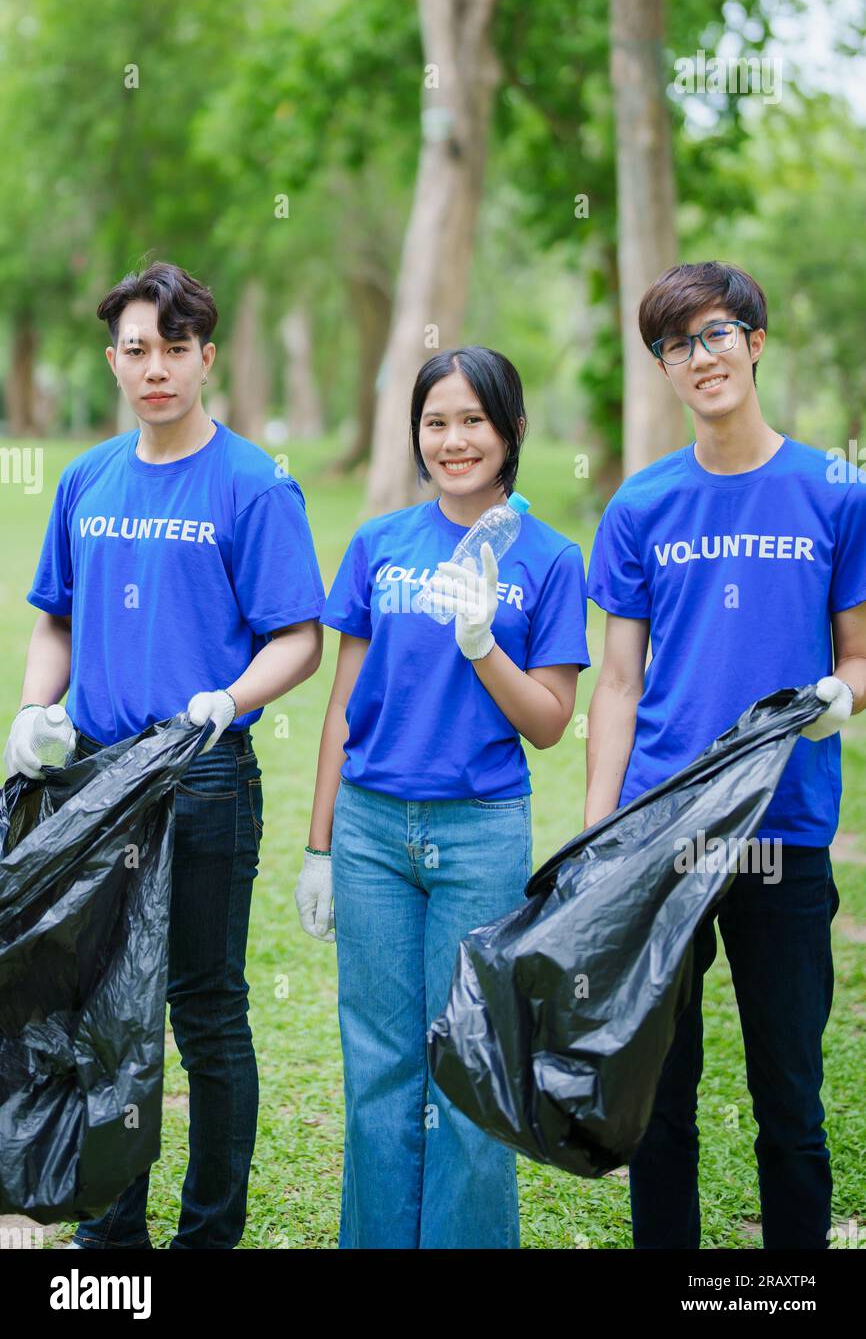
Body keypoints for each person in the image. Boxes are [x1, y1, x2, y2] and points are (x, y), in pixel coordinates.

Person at [3, 261, 326, 1249]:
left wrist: (229, 699)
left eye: (175, 350)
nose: (156, 369)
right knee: (102, 1006)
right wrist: (32, 710)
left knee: (204, 1009)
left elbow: (300, 636)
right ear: (114, 361)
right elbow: (54, 619)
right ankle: (112, 1231)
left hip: (202, 777)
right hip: (96, 781)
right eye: (137, 351)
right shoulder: (86, 477)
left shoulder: (254, 483)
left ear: (206, 358)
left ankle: (208, 1233)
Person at [585, 260, 866, 1250]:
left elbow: (858, 649)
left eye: (714, 334)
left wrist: (841, 692)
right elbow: (616, 683)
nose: (697, 356)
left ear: (753, 340)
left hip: (782, 826)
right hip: (663, 830)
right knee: (658, 1088)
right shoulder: (639, 505)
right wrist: (597, 833)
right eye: (674, 342)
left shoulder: (836, 493)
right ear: (661, 366)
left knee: (785, 1089)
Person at [295, 346, 590, 1248]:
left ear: (510, 431)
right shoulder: (380, 543)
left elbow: (548, 721)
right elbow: (344, 707)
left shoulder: (549, 558)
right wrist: (318, 847)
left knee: (469, 1067)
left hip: (480, 838)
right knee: (380, 1067)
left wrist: (480, 640)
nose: (454, 440)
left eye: (474, 420)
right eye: (436, 422)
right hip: (374, 833)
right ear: (415, 434)